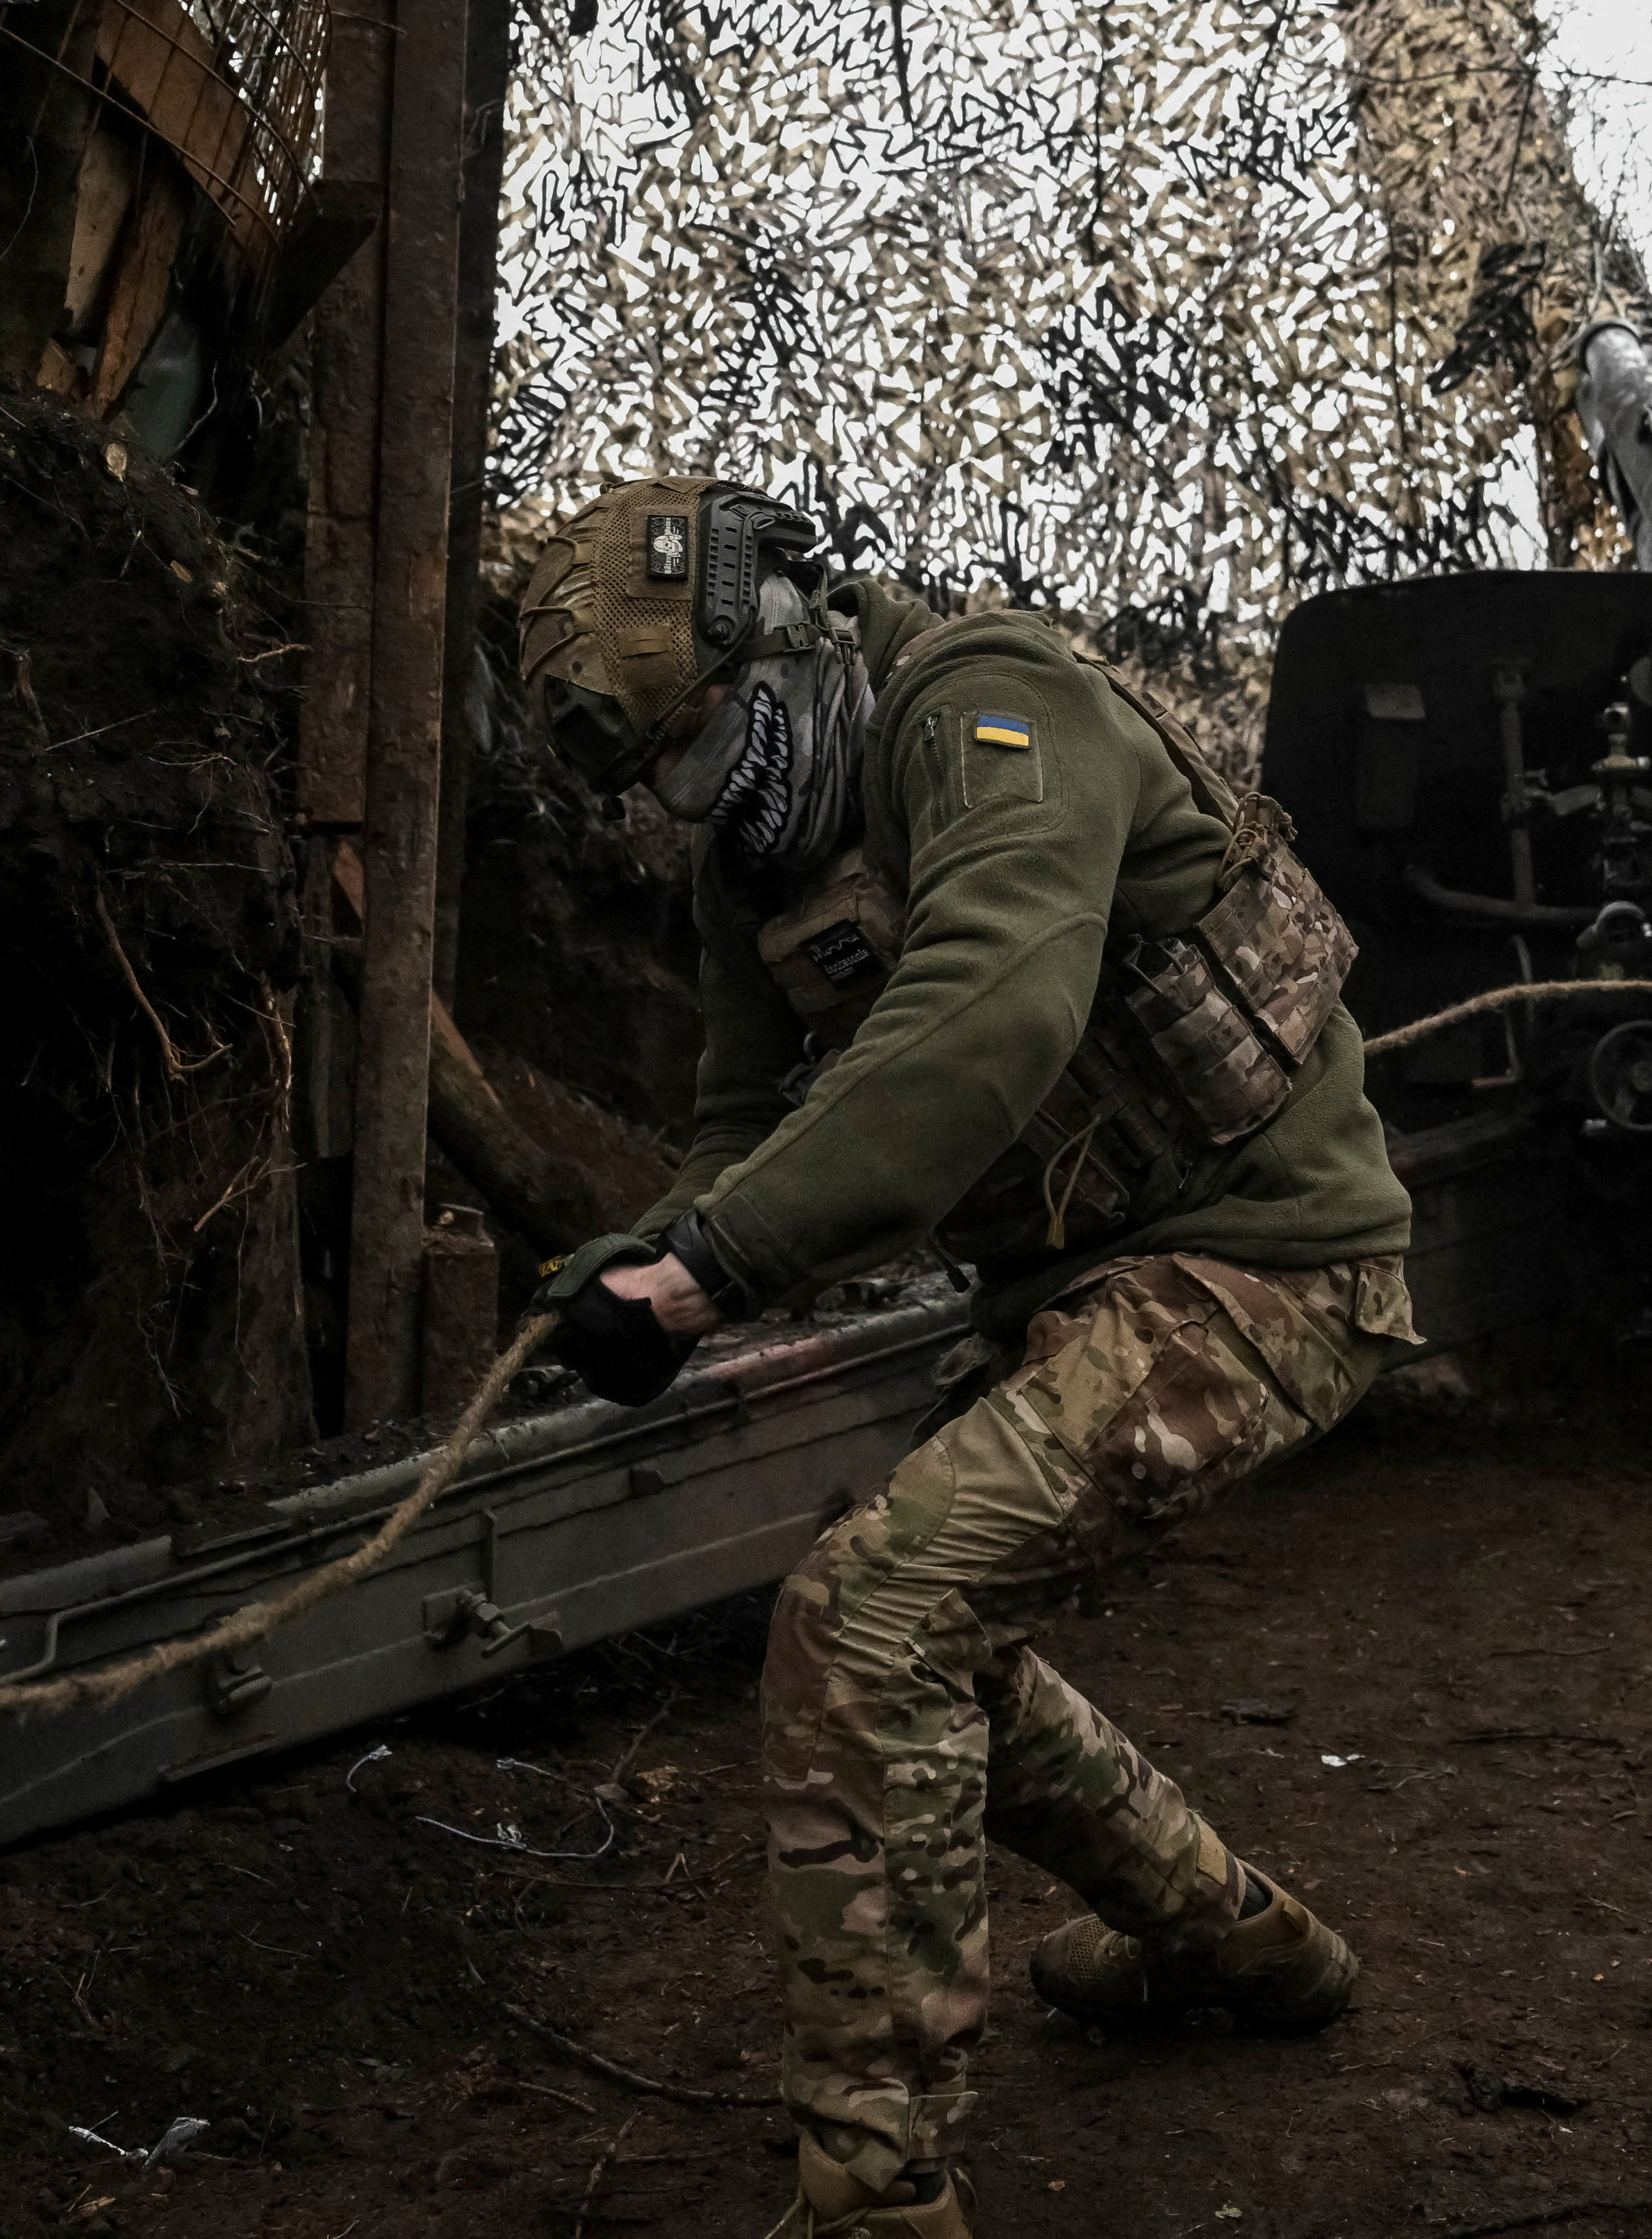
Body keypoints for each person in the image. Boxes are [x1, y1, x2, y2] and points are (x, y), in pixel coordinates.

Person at [507, 478, 1418, 2239]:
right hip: (1078, 1289)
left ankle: (877, 2194)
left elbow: (987, 1010)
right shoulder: (758, 861)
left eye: (695, 739)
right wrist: (652, 1249)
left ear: (778, 631)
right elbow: (736, 1116)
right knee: (919, 1633)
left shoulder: (989, 705)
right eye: (656, 778)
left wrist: (715, 1271)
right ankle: (1243, 1942)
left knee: (874, 1623)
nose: (690, 797)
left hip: (1269, 1263)